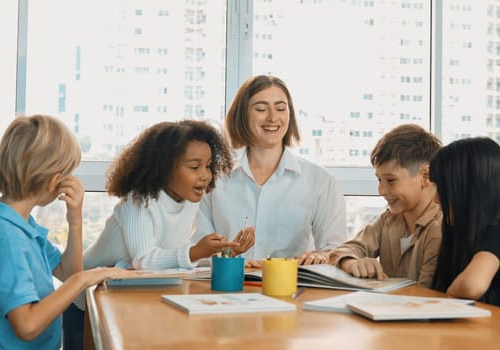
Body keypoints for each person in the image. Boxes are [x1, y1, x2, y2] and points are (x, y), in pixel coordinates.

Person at [64, 119, 254, 348]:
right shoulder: (140, 201)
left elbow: (174, 258)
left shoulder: (188, 201)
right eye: (194, 167)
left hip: (126, 293)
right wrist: (194, 252)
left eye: (208, 166)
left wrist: (224, 252)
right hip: (85, 298)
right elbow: (144, 260)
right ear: (164, 168)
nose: (205, 175)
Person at [0, 115, 132, 350]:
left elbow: (68, 273)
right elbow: (27, 326)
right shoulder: (6, 238)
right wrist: (86, 278)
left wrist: (75, 220)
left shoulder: (18, 225)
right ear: (55, 179)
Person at [193, 75, 347, 266]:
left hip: (291, 289)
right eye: (261, 109)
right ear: (242, 115)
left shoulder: (320, 180)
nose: (273, 118)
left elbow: (336, 249)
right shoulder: (213, 179)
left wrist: (321, 256)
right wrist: (231, 259)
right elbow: (198, 251)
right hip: (228, 286)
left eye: (281, 108)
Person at [429, 137, 500, 316]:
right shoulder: (462, 237)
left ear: (468, 192)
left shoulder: (499, 234)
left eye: (442, 188)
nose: (435, 199)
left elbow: (472, 285)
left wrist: (451, 291)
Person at [329, 124, 443, 288]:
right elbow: (343, 250)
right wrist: (351, 262)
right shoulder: (388, 220)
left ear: (426, 176)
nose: (381, 190)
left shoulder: (439, 228)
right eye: (379, 180)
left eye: (391, 180)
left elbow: (426, 295)